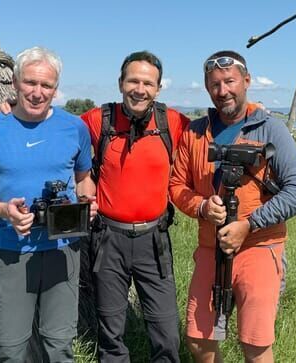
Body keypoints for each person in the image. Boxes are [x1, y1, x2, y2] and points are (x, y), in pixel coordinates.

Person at [0, 46, 97, 362]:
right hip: (12, 250)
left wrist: (88, 201)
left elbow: (85, 179)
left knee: (58, 346)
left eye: (46, 86)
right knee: (9, 348)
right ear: (15, 83)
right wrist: (2, 209)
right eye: (30, 83)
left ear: (56, 89)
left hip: (63, 249)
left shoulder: (74, 128)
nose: (37, 92)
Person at [169, 50, 296, 363]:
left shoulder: (270, 129)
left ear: (246, 81)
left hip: (259, 248)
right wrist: (202, 206)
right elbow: (177, 187)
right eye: (215, 84)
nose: (223, 91)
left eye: (230, 81)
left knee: (256, 343)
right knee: (198, 338)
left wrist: (250, 223)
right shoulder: (195, 133)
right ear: (208, 88)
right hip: (211, 247)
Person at [81, 51, 189, 362]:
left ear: (157, 88)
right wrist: (12, 107)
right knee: (111, 332)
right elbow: (56, 130)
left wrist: (251, 112)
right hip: (107, 239)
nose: (139, 89)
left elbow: (213, 130)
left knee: (167, 332)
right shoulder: (98, 119)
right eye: (133, 81)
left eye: (148, 83)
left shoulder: (172, 122)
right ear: (120, 83)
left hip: (153, 240)